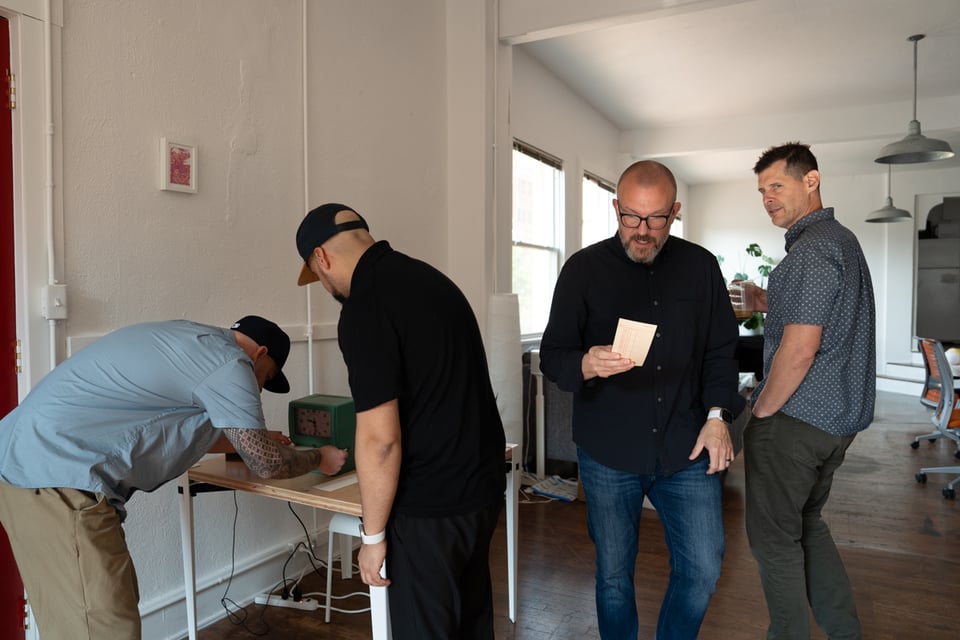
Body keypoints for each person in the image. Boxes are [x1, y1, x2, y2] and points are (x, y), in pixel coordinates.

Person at [0, 315, 348, 640]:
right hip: (57, 480)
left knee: (82, 614)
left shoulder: (192, 340)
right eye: (267, 378)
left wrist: (253, 440)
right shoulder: (231, 363)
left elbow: (175, 424)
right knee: (102, 624)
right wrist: (320, 457)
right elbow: (266, 465)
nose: (258, 390)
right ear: (260, 354)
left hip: (29, 468)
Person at [539, 160, 744, 639]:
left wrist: (718, 417)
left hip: (685, 448)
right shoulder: (582, 271)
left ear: (675, 212)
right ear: (616, 207)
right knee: (613, 578)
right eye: (631, 217)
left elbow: (720, 352)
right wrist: (586, 363)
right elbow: (553, 356)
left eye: (656, 219)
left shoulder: (701, 267)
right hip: (609, 453)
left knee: (703, 571)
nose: (643, 231)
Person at [295, 203, 507, 639]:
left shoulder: (365, 306)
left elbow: (379, 440)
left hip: (429, 508)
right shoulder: (434, 281)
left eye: (318, 276)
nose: (325, 284)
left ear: (321, 257)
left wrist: (371, 540)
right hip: (480, 491)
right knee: (470, 624)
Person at [741, 142, 874, 639]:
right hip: (837, 423)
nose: (767, 198)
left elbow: (798, 352)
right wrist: (768, 299)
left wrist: (760, 412)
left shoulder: (811, 251)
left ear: (811, 181)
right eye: (761, 191)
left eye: (777, 186)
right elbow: (827, 312)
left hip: (796, 424)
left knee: (774, 542)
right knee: (808, 528)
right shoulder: (838, 241)